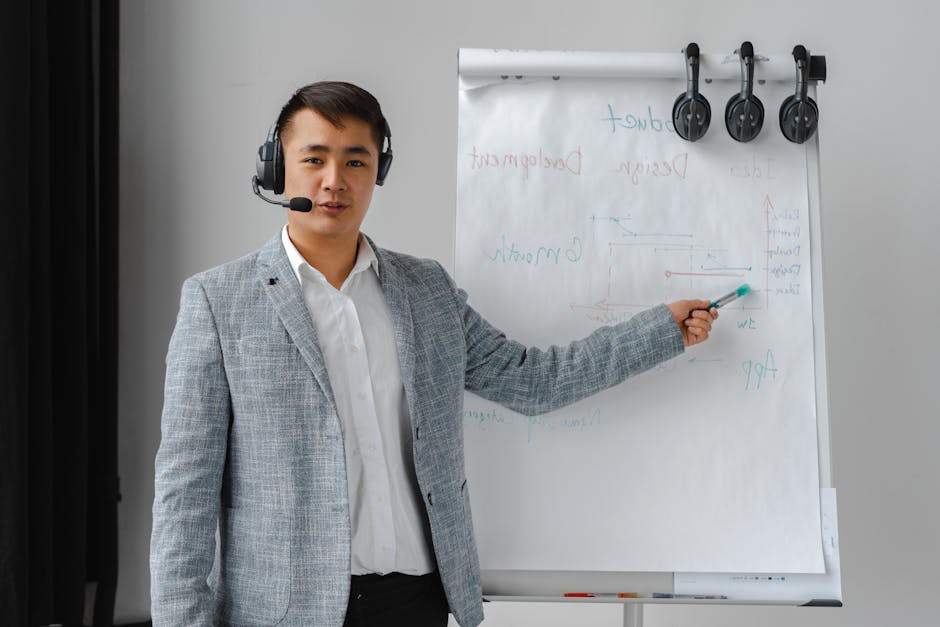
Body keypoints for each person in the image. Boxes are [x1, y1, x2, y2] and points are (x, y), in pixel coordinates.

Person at [150, 81, 718, 627]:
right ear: (277, 166)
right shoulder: (217, 302)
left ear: (379, 171)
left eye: (355, 161)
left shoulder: (427, 291)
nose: (333, 181)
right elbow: (186, 492)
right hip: (279, 613)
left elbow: (534, 380)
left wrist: (659, 332)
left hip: (415, 601)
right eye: (314, 158)